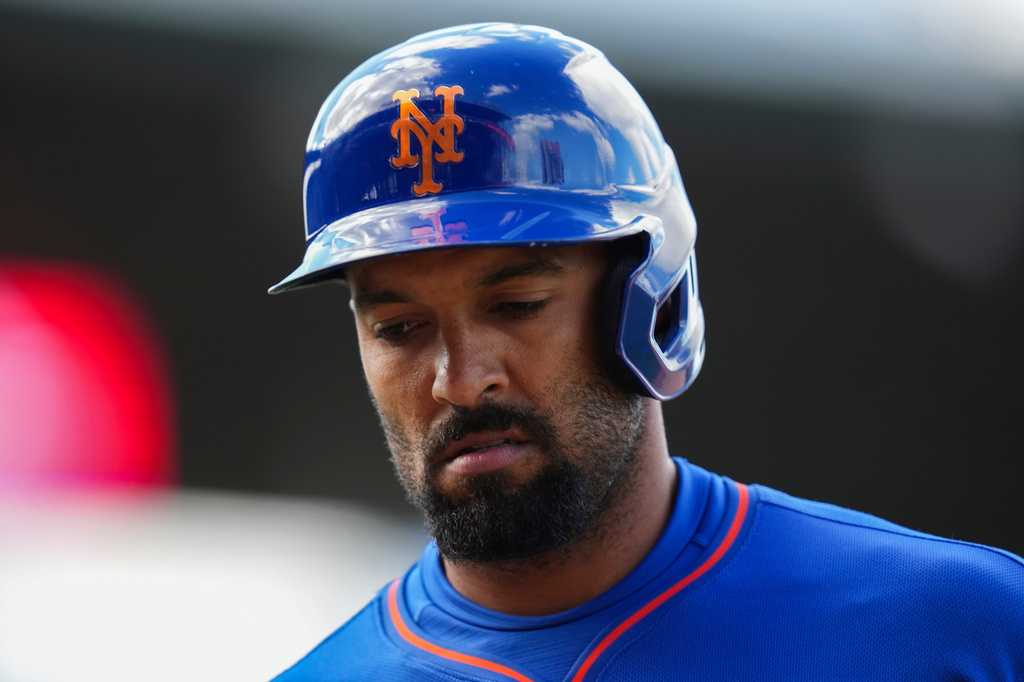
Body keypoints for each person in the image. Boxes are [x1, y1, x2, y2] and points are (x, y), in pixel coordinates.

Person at [268, 23, 1024, 681]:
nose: (461, 381)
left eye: (517, 306)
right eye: (399, 328)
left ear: (650, 295)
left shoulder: (960, 629)